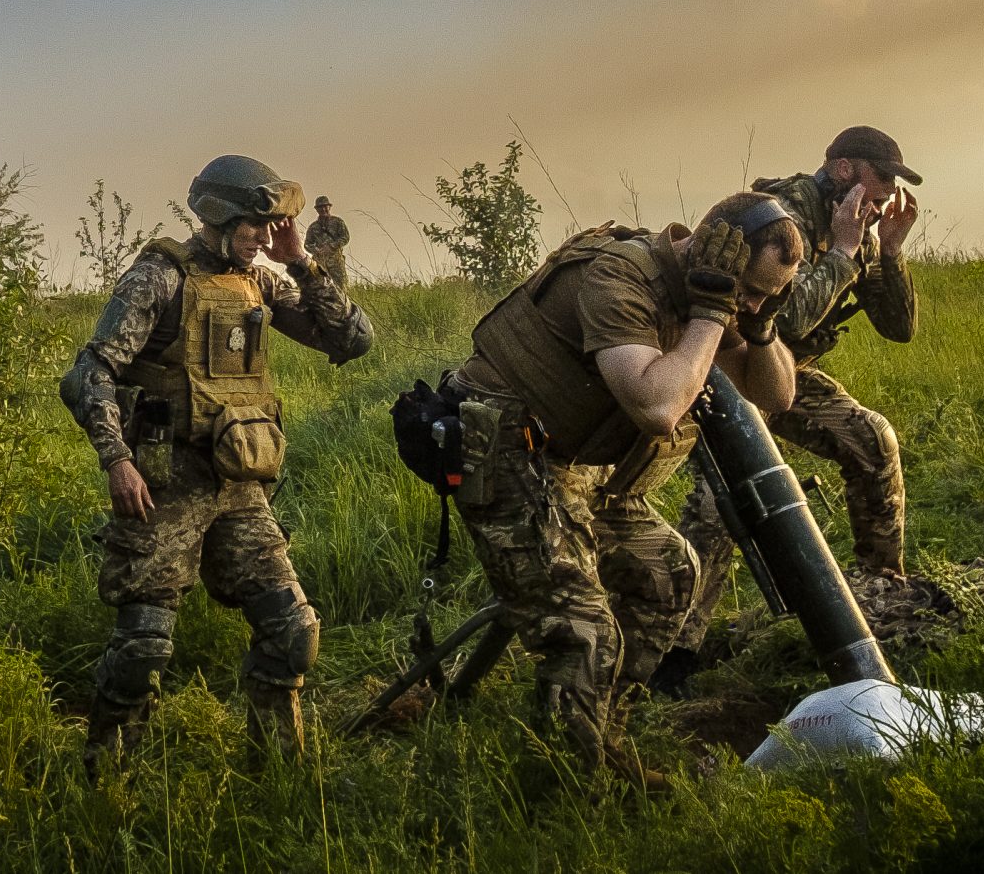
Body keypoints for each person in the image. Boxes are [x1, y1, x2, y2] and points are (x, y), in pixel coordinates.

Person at [448, 192, 802, 777]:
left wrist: (758, 327)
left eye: (768, 294)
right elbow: (656, 405)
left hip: (574, 463)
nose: (751, 302)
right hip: (506, 449)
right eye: (751, 289)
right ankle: (568, 788)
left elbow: (774, 398)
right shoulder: (620, 277)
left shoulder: (714, 287)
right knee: (584, 631)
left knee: (671, 573)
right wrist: (712, 316)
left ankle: (601, 734)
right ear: (714, 250)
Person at [58, 154, 375, 761]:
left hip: (238, 485)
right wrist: (116, 460)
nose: (264, 238)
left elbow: (352, 340)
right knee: (142, 647)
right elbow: (89, 373)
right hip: (162, 483)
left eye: (269, 227)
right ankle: (106, 777)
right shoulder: (159, 277)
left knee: (293, 631)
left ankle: (277, 773)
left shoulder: (262, 280)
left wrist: (303, 264)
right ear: (220, 218)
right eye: (256, 226)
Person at [663, 127, 920, 678]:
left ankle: (880, 586)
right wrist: (847, 250)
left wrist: (890, 254)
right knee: (723, 501)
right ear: (846, 169)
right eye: (883, 181)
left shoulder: (857, 230)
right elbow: (781, 316)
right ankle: (675, 654)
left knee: (872, 439)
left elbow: (899, 327)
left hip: (786, 373)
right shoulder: (779, 218)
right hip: (729, 367)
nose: (886, 197)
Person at [305, 195, 352, 287]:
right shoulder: (313, 227)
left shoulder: (338, 222)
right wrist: (316, 250)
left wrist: (331, 246)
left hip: (336, 262)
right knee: (320, 288)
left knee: (342, 287)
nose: (323, 209)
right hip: (320, 263)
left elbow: (345, 237)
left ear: (329, 207)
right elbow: (307, 244)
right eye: (320, 207)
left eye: (325, 206)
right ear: (316, 210)